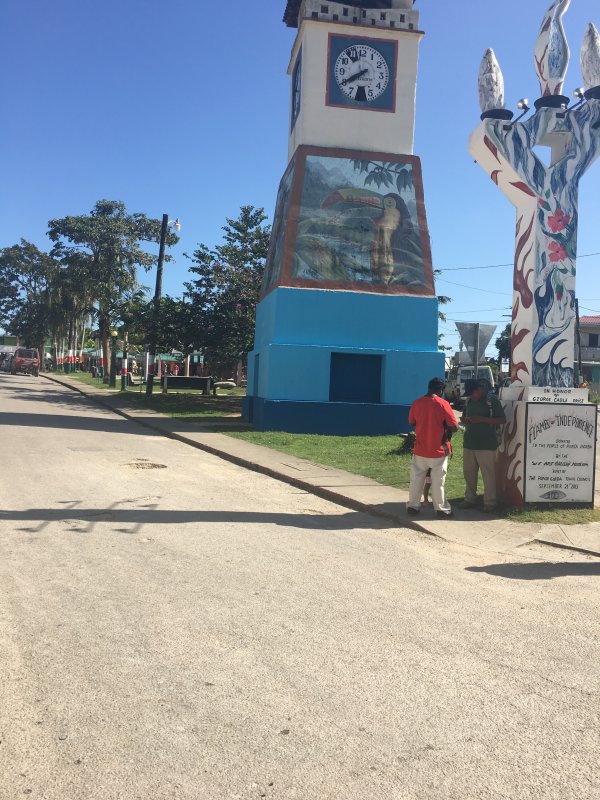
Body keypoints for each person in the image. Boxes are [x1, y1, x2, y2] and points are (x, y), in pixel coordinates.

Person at [407, 377, 458, 519]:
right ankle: (441, 509)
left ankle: (413, 506)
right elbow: (454, 427)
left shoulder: (417, 403)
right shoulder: (443, 404)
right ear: (440, 390)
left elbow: (411, 422)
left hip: (420, 449)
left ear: (429, 387)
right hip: (439, 451)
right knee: (438, 482)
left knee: (416, 480)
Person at [459, 379, 506, 513]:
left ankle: (490, 502)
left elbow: (502, 419)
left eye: (472, 393)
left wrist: (482, 420)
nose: (471, 396)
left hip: (487, 444)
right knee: (469, 474)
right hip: (469, 443)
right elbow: (465, 416)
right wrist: (465, 420)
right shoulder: (469, 401)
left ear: (479, 389)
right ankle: (469, 499)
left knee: (488, 475)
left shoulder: (492, 401)